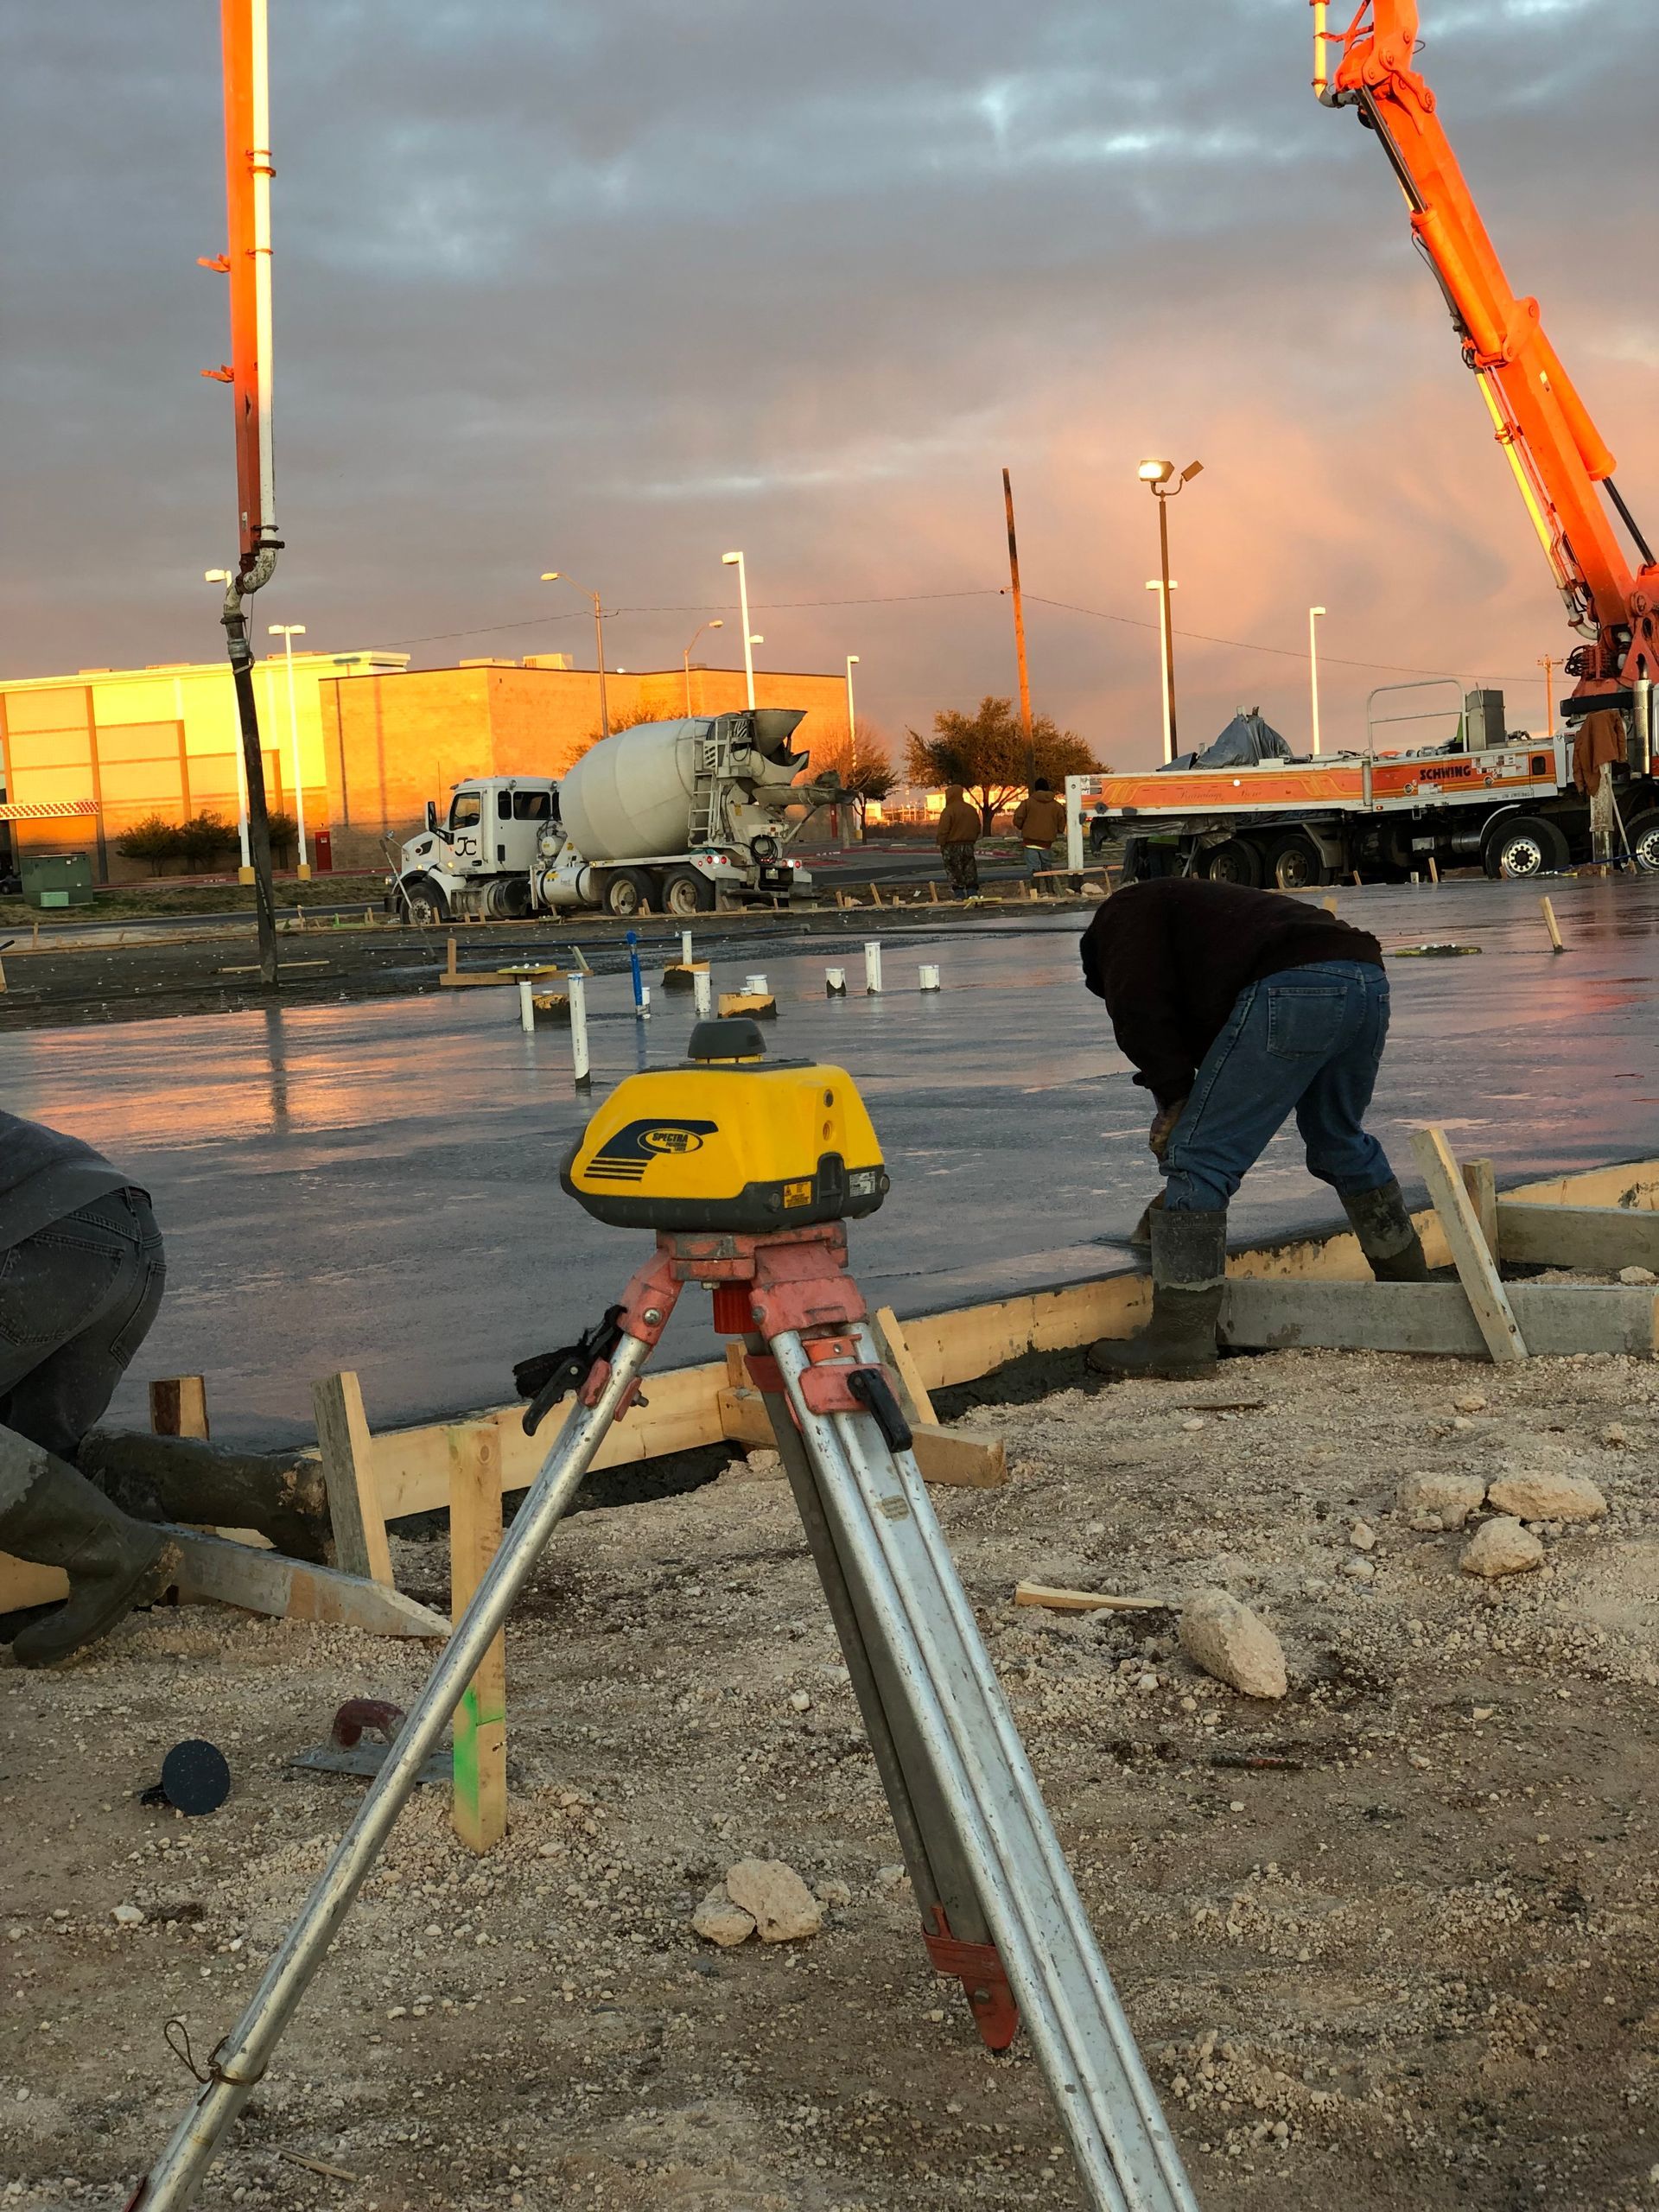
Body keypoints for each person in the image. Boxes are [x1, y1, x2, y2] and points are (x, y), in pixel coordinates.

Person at [1078, 877, 1427, 1378]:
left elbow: (1140, 1008)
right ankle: (1415, 1293)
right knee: (1338, 1140)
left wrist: (1175, 1099)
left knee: (1201, 1156)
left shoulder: (1122, 919)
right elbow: (1225, 1041)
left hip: (1295, 983)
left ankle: (1180, 1339)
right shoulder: (1202, 923)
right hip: (1365, 978)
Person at [0, 1110, 174, 1665]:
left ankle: (111, 1557)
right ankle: (281, 1496)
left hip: (38, 1239)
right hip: (128, 1229)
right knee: (36, 1456)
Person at [1012, 778, 1066, 880]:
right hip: (1047, 842)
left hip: (1030, 841)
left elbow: (1018, 818)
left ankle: (1036, 890)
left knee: (1033, 868)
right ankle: (1050, 890)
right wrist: (1058, 830)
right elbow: (1061, 822)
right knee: (1047, 867)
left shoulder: (1027, 803)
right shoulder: (1056, 805)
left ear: (1036, 789)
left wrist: (1021, 827)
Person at [936, 783, 981, 899]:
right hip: (968, 844)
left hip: (951, 845)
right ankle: (972, 893)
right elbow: (977, 827)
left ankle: (959, 894)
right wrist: (972, 840)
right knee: (969, 868)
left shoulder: (948, 811)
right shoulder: (971, 809)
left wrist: (941, 843)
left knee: (954, 869)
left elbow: (943, 829)